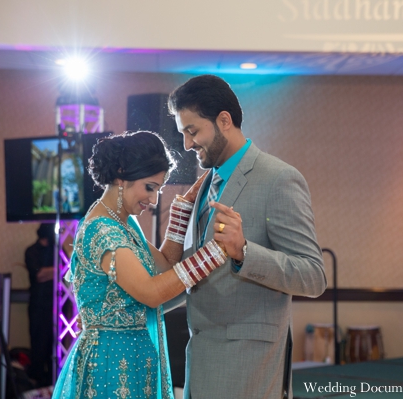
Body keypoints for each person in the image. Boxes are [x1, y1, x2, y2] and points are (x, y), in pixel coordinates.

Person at [167, 75, 327, 399]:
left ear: (223, 120)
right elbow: (195, 274)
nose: (186, 145)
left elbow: (313, 276)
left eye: (192, 131)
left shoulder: (279, 179)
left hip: (249, 370)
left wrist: (244, 252)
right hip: (200, 362)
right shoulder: (204, 184)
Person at [52, 131, 227, 399]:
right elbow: (151, 292)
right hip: (110, 364)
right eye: (150, 187)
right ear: (121, 176)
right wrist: (215, 252)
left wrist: (182, 210)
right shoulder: (102, 231)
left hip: (135, 358)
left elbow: (168, 265)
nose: (154, 200)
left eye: (158, 190)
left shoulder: (123, 224)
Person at [25, 223, 55, 387]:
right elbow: (40, 275)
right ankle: (36, 383)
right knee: (38, 345)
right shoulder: (32, 251)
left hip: (56, 306)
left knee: (54, 346)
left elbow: (69, 269)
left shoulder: (57, 251)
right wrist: (59, 268)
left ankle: (52, 383)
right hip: (38, 305)